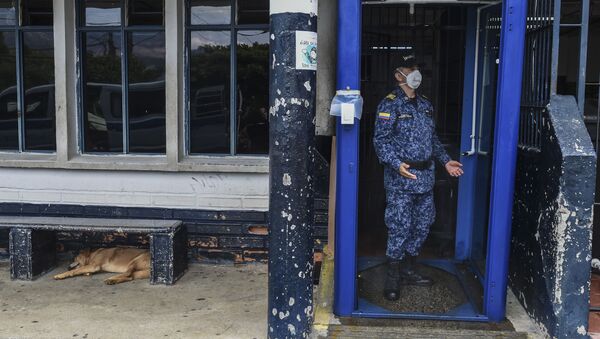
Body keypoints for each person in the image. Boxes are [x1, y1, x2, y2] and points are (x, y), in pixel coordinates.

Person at [372, 54, 464, 301]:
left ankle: (409, 269)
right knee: (400, 225)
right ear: (398, 75)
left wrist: (446, 160)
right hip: (401, 178)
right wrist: (396, 163)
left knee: (423, 224)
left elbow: (432, 140)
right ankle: (393, 276)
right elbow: (380, 141)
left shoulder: (425, 105)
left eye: (417, 69)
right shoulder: (389, 105)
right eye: (409, 69)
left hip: (425, 177)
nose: (415, 73)